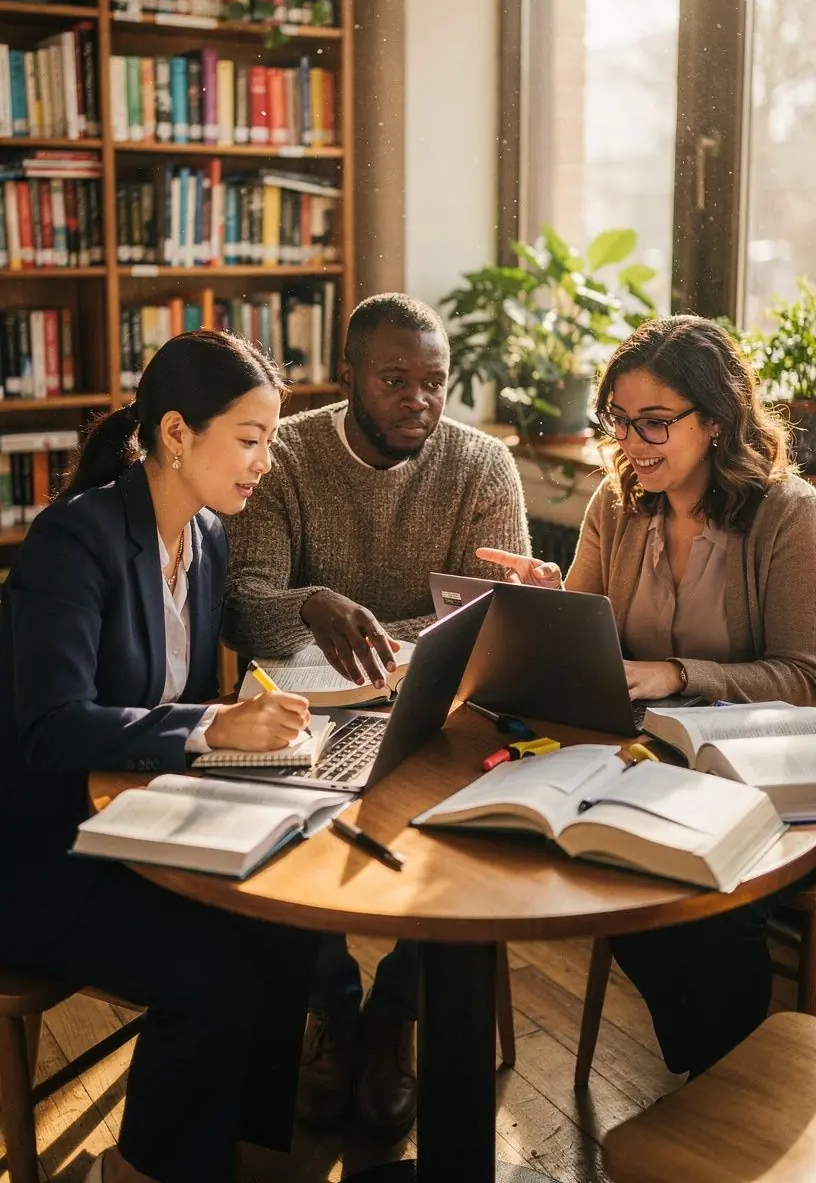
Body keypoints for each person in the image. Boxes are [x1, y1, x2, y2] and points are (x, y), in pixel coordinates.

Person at [0, 330, 319, 1183]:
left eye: (270, 440)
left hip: (137, 819)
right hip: (43, 853)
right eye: (248, 440)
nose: (264, 461)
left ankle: (244, 1154)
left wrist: (239, 720)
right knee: (215, 978)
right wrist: (215, 730)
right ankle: (143, 1171)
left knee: (293, 936)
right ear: (176, 434)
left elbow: (165, 694)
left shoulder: (206, 536)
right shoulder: (76, 541)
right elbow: (54, 729)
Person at [222, 291, 530, 1136]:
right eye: (395, 380)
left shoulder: (481, 464)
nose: (419, 401)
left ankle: (397, 1015)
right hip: (302, 704)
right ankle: (330, 1011)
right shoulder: (282, 454)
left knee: (469, 833)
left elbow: (496, 616)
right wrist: (314, 603)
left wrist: (379, 630)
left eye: (435, 382)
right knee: (284, 825)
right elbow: (243, 607)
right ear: (348, 375)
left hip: (446, 707)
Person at [479, 313, 816, 1081]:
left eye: (656, 423)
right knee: (606, 881)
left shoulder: (788, 513)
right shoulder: (618, 503)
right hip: (647, 764)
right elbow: (591, 651)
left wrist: (677, 672)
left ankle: (720, 1100)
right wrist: (548, 603)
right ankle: (711, 1092)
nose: (632, 444)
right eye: (621, 422)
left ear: (719, 421)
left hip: (761, 781)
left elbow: (806, 676)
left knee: (715, 917)